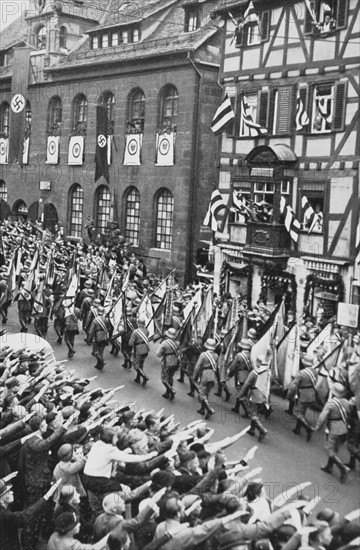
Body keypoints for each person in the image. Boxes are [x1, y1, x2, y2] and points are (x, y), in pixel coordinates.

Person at [0, 477, 61, 550]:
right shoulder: (5, 515)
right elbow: (26, 515)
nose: (11, 492)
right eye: (8, 491)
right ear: (1, 499)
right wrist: (47, 496)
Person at [315, 382, 351, 483]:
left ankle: (343, 468)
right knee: (335, 448)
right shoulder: (346, 402)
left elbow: (322, 417)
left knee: (328, 448)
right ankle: (329, 467)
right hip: (344, 429)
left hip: (334, 428)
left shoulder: (331, 403)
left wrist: (317, 427)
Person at [287, 354, 318, 442]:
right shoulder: (315, 372)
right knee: (302, 412)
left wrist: (289, 396)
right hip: (312, 394)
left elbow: (293, 386)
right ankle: (297, 429)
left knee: (297, 413)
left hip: (304, 395)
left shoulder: (301, 373)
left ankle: (308, 429)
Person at [239, 355, 268, 442]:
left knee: (253, 413)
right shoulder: (267, 372)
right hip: (263, 394)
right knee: (256, 412)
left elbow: (247, 384)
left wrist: (241, 394)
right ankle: (252, 429)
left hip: (255, 394)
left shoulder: (254, 373)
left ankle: (262, 430)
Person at [193, 338, 219, 420]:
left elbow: (198, 366)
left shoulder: (203, 355)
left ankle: (209, 409)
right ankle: (202, 409)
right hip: (212, 375)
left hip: (205, 374)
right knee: (206, 393)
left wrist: (194, 376)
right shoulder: (216, 355)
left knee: (201, 392)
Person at [227, 339, 253, 418]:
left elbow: (233, 367)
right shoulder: (251, 355)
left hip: (240, 375)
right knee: (243, 392)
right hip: (248, 375)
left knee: (240, 393)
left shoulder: (239, 355)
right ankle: (236, 407)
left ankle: (248, 412)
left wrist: (229, 375)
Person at [157, 328, 180, 401]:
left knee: (164, 378)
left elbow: (158, 354)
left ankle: (171, 390)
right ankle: (168, 393)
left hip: (167, 362)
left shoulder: (164, 343)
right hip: (175, 361)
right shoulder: (177, 343)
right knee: (170, 377)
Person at [89, 306, 113, 371]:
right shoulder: (106, 320)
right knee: (101, 352)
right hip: (105, 337)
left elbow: (91, 331)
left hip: (98, 337)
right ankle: (99, 365)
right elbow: (109, 329)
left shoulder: (95, 320)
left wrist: (89, 339)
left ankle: (101, 361)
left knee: (95, 351)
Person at [129, 316, 150, 386]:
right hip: (145, 349)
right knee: (141, 364)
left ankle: (144, 376)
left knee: (136, 365)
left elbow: (130, 343)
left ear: (138, 323)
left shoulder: (135, 332)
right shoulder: (147, 331)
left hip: (138, 350)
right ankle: (138, 378)